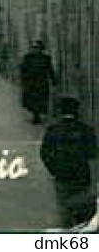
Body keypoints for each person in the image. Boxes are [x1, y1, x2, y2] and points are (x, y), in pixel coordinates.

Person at [41, 97, 98, 227]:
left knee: (64, 209)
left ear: (61, 112)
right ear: (77, 111)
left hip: (61, 175)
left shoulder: (53, 130)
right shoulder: (86, 130)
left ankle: (68, 235)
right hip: (82, 175)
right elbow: (93, 153)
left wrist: (53, 169)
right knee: (83, 207)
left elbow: (44, 153)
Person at [21, 40, 58, 124]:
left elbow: (50, 70)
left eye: (38, 48)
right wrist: (24, 80)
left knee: (40, 99)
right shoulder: (27, 58)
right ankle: (35, 115)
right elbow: (23, 70)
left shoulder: (46, 58)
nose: (36, 50)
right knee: (32, 100)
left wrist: (53, 80)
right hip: (31, 82)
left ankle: (37, 115)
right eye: (34, 48)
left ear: (41, 49)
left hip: (42, 82)